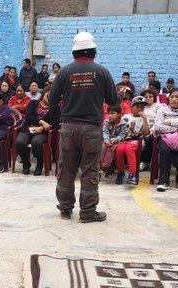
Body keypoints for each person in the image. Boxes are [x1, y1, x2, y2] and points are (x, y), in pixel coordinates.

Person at [49, 31, 119, 223]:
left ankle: (65, 208)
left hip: (69, 129)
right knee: (89, 170)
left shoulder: (64, 72)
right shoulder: (102, 72)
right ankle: (87, 213)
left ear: (74, 52)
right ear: (94, 51)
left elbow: (52, 100)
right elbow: (114, 101)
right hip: (92, 131)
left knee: (66, 169)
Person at [15, 85, 61, 175]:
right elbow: (28, 116)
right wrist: (41, 122)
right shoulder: (33, 103)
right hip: (28, 129)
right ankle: (26, 163)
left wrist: (42, 127)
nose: (49, 97)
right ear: (43, 94)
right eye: (47, 94)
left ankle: (39, 165)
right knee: (19, 142)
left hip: (43, 132)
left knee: (36, 142)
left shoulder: (55, 108)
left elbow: (55, 124)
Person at [117, 96, 149, 185]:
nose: (139, 109)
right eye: (137, 107)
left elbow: (146, 133)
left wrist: (145, 119)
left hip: (137, 140)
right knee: (120, 150)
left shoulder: (144, 118)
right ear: (132, 107)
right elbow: (120, 129)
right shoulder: (126, 116)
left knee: (129, 149)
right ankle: (120, 172)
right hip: (125, 139)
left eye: (142, 107)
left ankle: (132, 174)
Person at [100, 104, 127, 179]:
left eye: (113, 113)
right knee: (103, 147)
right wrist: (106, 140)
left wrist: (114, 140)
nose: (110, 116)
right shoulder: (106, 122)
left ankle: (106, 165)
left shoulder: (123, 124)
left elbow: (122, 135)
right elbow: (105, 132)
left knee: (112, 148)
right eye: (108, 113)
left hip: (118, 141)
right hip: (107, 140)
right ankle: (102, 165)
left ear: (119, 114)